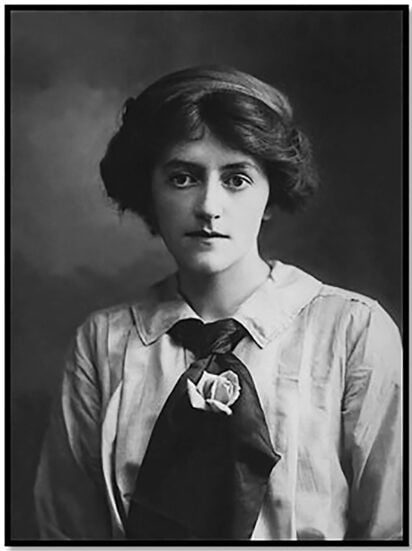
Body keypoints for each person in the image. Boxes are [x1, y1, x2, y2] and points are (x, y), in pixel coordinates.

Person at [34, 66, 403, 541]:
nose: (209, 206)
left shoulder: (353, 332)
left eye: (237, 179)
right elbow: (66, 533)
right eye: (182, 178)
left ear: (271, 193)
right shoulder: (104, 343)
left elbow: (392, 530)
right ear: (149, 190)